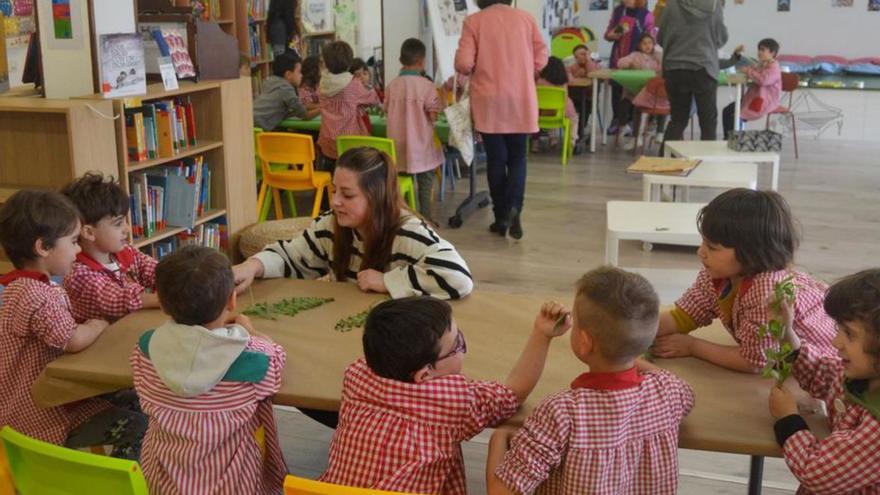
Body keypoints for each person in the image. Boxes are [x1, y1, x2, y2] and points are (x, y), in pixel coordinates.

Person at [319, 296, 571, 494]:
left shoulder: (356, 374)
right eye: (457, 345)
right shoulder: (454, 401)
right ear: (425, 374)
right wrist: (542, 333)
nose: (463, 346)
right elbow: (514, 393)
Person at [487, 267, 695, 495]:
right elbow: (680, 389)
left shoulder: (561, 412)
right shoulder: (669, 391)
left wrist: (498, 438)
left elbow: (501, 492)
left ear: (584, 342)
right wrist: (627, 348)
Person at [0, 190, 145, 458]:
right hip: (40, 418)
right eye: (74, 241)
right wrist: (95, 326)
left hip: (37, 402)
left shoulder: (16, 286)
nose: (78, 250)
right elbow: (72, 339)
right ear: (43, 247)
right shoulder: (38, 294)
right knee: (140, 428)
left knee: (136, 400)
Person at [132, 246, 286, 494]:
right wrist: (249, 331)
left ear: (162, 304)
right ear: (232, 301)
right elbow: (276, 356)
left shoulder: (145, 349)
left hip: (162, 482)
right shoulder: (253, 361)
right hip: (232, 486)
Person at [232, 147, 473, 301]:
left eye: (347, 195)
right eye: (335, 190)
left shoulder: (408, 232)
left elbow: (458, 277)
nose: (335, 201)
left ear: (377, 196)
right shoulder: (331, 225)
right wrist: (252, 266)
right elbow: (292, 257)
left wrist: (387, 281)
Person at [653, 189, 838, 373]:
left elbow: (755, 362)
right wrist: (634, 331)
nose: (700, 251)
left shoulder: (767, 293)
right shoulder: (717, 274)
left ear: (751, 253)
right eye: (703, 242)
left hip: (823, 367)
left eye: (712, 247)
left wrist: (693, 347)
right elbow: (686, 314)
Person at [768, 269, 880, 494]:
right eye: (838, 329)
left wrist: (788, 420)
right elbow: (823, 373)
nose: (836, 341)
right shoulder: (864, 376)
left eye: (849, 334)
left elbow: (815, 473)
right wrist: (788, 335)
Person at [455, 0, 548, 240]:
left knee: (496, 160)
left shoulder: (474, 21)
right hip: (521, 98)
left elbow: (464, 64)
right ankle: (515, 206)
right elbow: (542, 56)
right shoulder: (525, 19)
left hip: (489, 102)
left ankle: (501, 216)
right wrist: (529, 70)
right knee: (518, 158)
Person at [61, 173, 159, 323]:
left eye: (125, 221)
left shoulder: (126, 251)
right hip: (102, 342)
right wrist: (159, 299)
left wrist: (173, 278)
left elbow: (153, 269)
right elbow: (117, 299)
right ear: (89, 232)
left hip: (129, 327)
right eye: (118, 224)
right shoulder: (78, 274)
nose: (127, 229)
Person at [384, 38, 445, 222]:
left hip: (398, 147)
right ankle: (424, 219)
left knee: (402, 183)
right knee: (425, 182)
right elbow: (433, 116)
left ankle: (404, 218)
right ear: (421, 61)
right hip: (421, 145)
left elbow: (385, 109)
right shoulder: (426, 86)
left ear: (401, 60)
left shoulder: (392, 86)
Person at [658, 0, 728, 146]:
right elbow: (721, 38)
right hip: (703, 68)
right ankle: (705, 164)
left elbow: (660, 38)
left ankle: (663, 161)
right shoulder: (715, 6)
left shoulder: (671, 5)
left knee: (678, 119)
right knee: (707, 121)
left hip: (674, 67)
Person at [316, 41, 379, 167]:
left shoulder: (322, 84)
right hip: (349, 144)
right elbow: (373, 99)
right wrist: (368, 86)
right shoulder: (353, 84)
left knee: (333, 175)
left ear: (327, 63)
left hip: (327, 141)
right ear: (349, 62)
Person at [604, 0, 655, 136]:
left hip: (638, 63)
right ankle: (617, 121)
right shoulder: (618, 11)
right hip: (618, 58)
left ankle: (633, 123)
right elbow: (608, 34)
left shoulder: (646, 15)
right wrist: (613, 35)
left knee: (636, 91)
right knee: (617, 90)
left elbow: (651, 39)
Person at [616, 33, 667, 149]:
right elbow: (620, 63)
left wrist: (659, 56)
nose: (647, 46)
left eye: (650, 43)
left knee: (662, 103)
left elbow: (665, 65)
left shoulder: (658, 56)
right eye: (644, 43)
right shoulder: (635, 55)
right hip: (635, 92)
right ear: (639, 45)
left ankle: (659, 132)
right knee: (629, 105)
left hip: (654, 94)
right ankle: (636, 136)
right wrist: (630, 62)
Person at [723, 38, 782, 138]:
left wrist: (748, 71)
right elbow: (753, 70)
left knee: (736, 115)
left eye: (763, 50)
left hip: (764, 101)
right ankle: (728, 139)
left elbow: (764, 80)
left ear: (773, 53)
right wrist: (746, 69)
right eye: (759, 49)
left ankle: (735, 139)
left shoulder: (774, 67)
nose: (759, 52)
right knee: (728, 111)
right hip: (753, 98)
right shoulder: (762, 64)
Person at [253, 52, 320, 131]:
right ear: (288, 74)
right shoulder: (286, 88)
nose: (302, 75)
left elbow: (289, 108)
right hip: (261, 128)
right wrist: (323, 108)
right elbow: (306, 116)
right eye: (299, 72)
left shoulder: (270, 81)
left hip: (251, 124)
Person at [536, 56, 579, 151]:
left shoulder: (540, 81)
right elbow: (572, 80)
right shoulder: (564, 80)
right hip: (563, 110)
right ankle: (572, 140)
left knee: (551, 112)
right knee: (574, 119)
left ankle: (553, 138)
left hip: (543, 112)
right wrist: (568, 71)